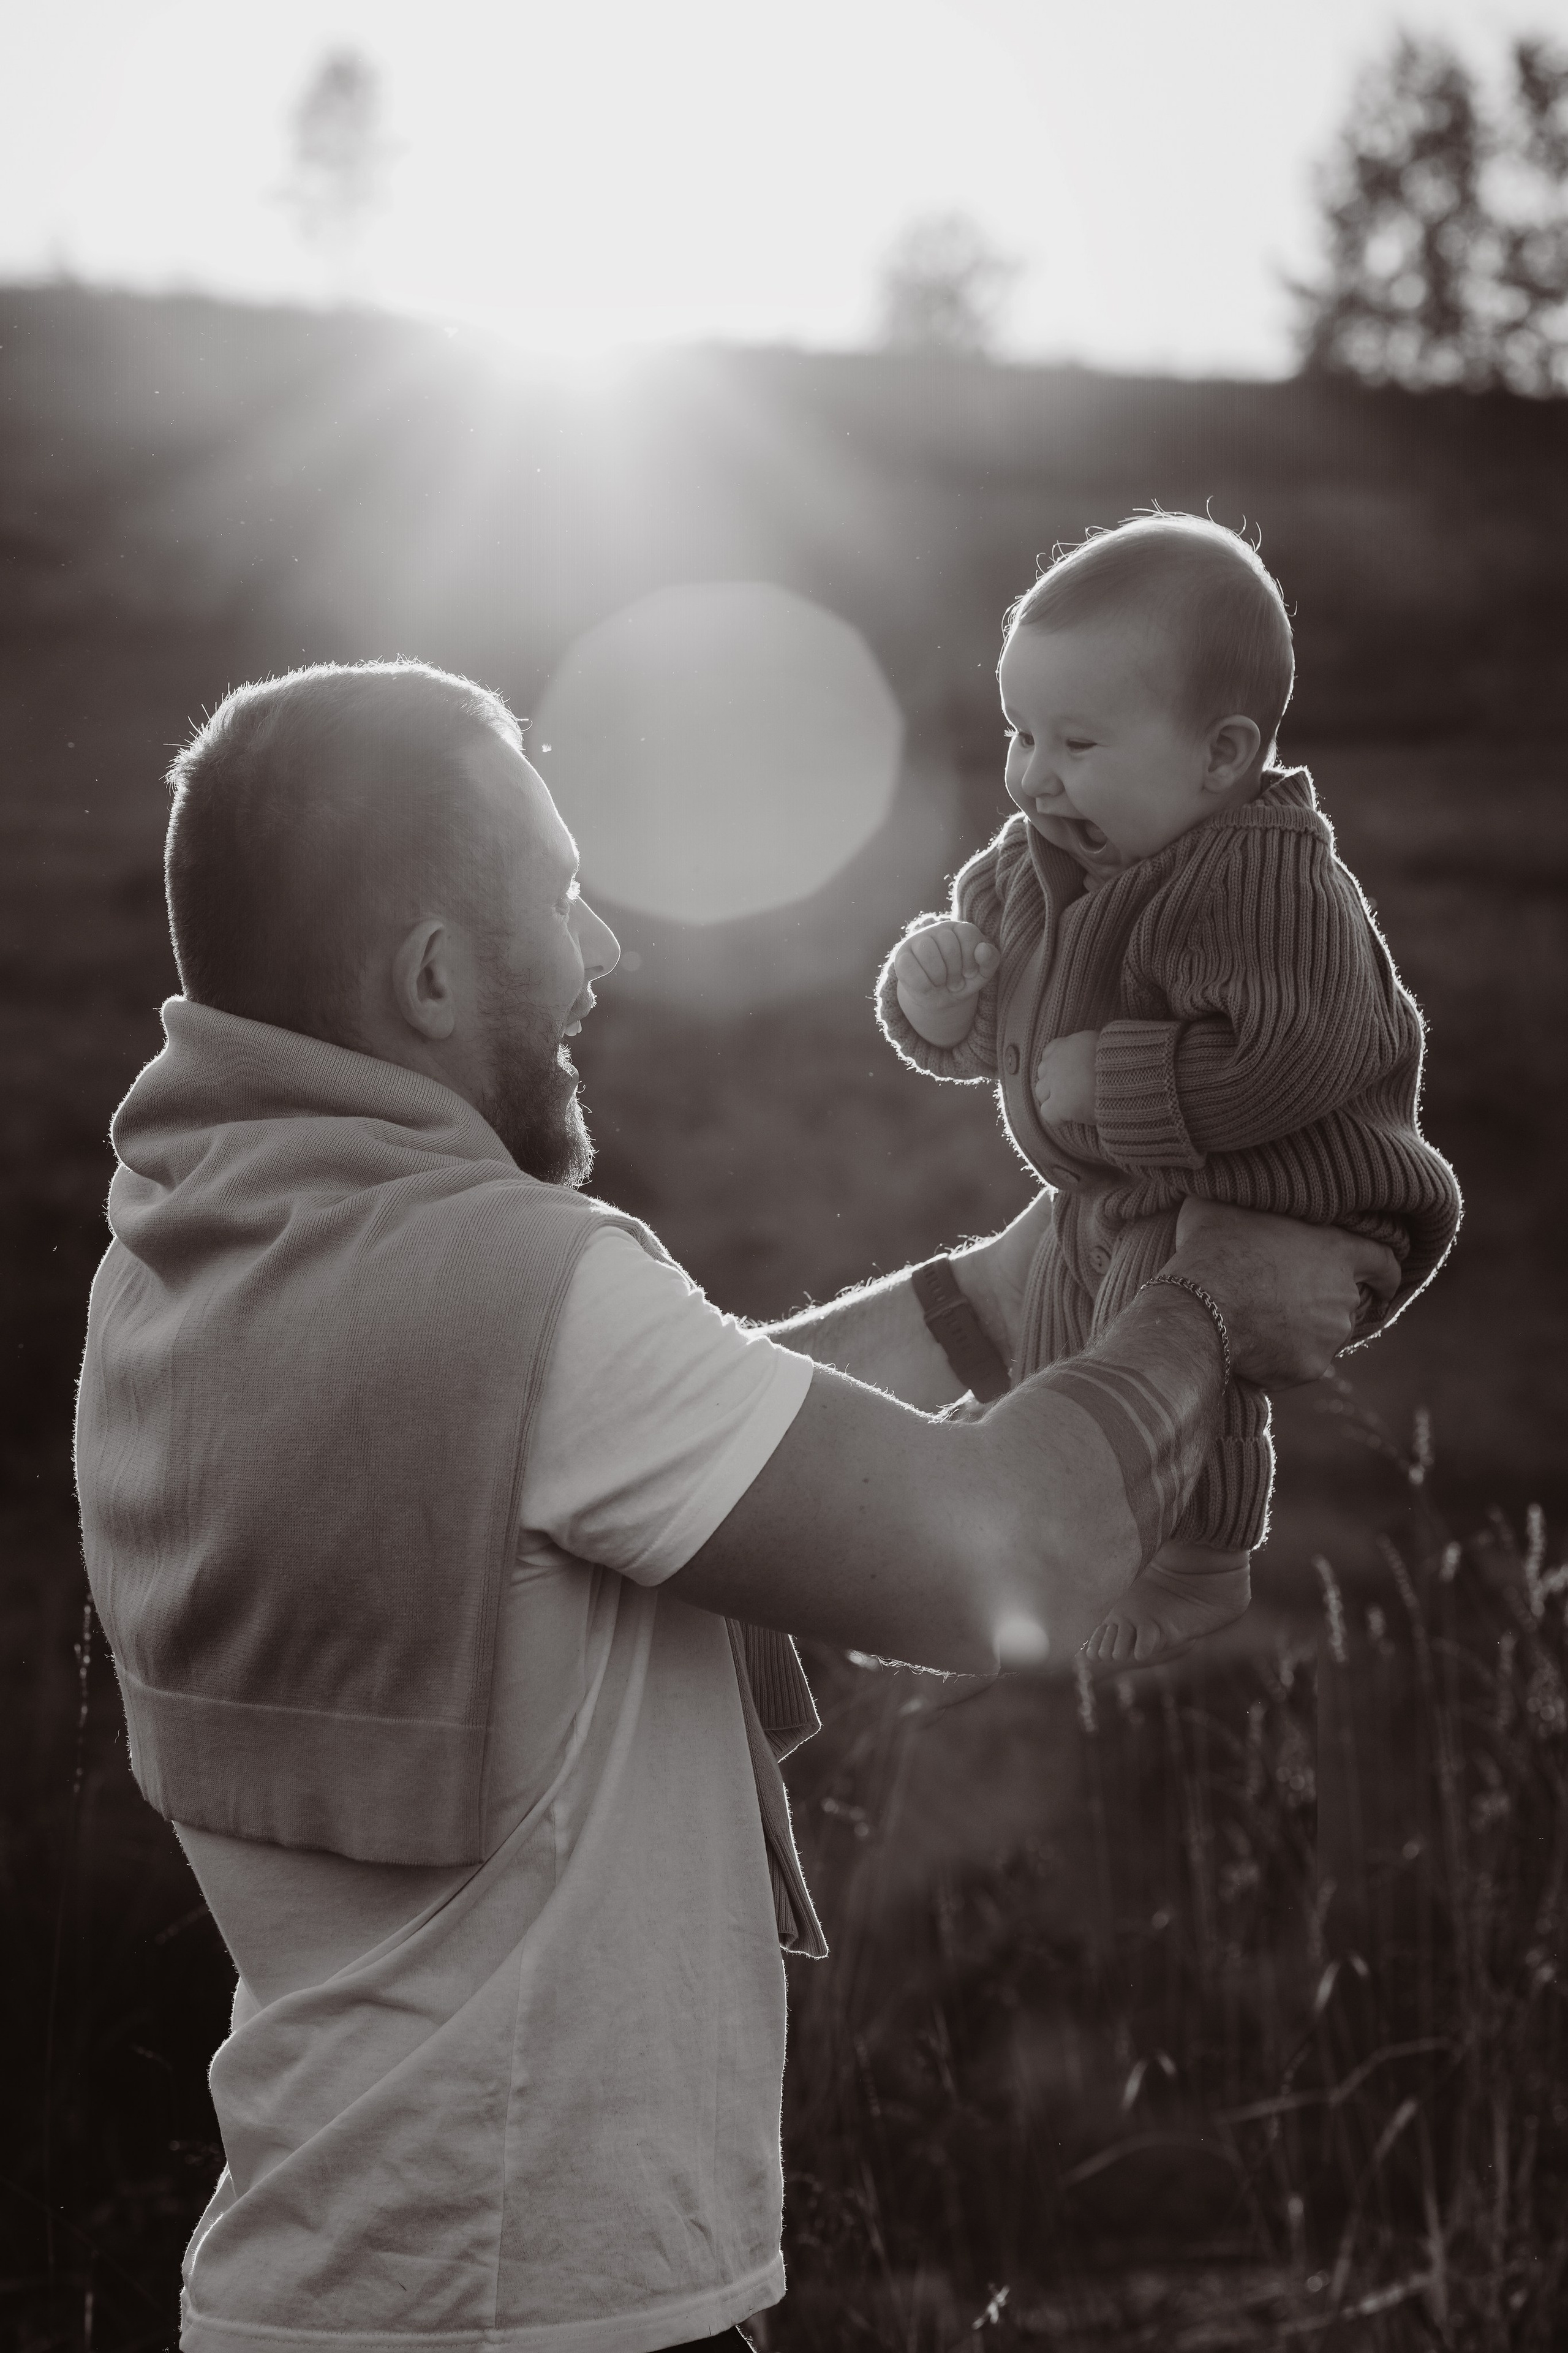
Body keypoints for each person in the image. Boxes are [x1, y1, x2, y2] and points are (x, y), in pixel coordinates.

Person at [75, 659, 1399, 2353]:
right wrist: (1209, 1305)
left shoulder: (195, 1261)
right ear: (427, 975)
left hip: (299, 2285)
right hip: (550, 2301)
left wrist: (992, 1299)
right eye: (558, 897)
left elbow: (588, 1455)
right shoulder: (528, 1291)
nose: (601, 953)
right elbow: (1019, 1554)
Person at [878, 515, 1461, 1667]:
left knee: (1174, 1302)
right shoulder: (1040, 860)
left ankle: (1198, 1559)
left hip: (1287, 1188)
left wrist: (1118, 1076)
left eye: (1079, 741)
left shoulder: (1263, 877)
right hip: (1128, 1185)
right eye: (1021, 732)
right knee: (1064, 1323)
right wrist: (940, 1008)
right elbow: (1010, 1026)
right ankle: (1046, 1526)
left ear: (1221, 756)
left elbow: (1286, 1058)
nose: (1036, 774)